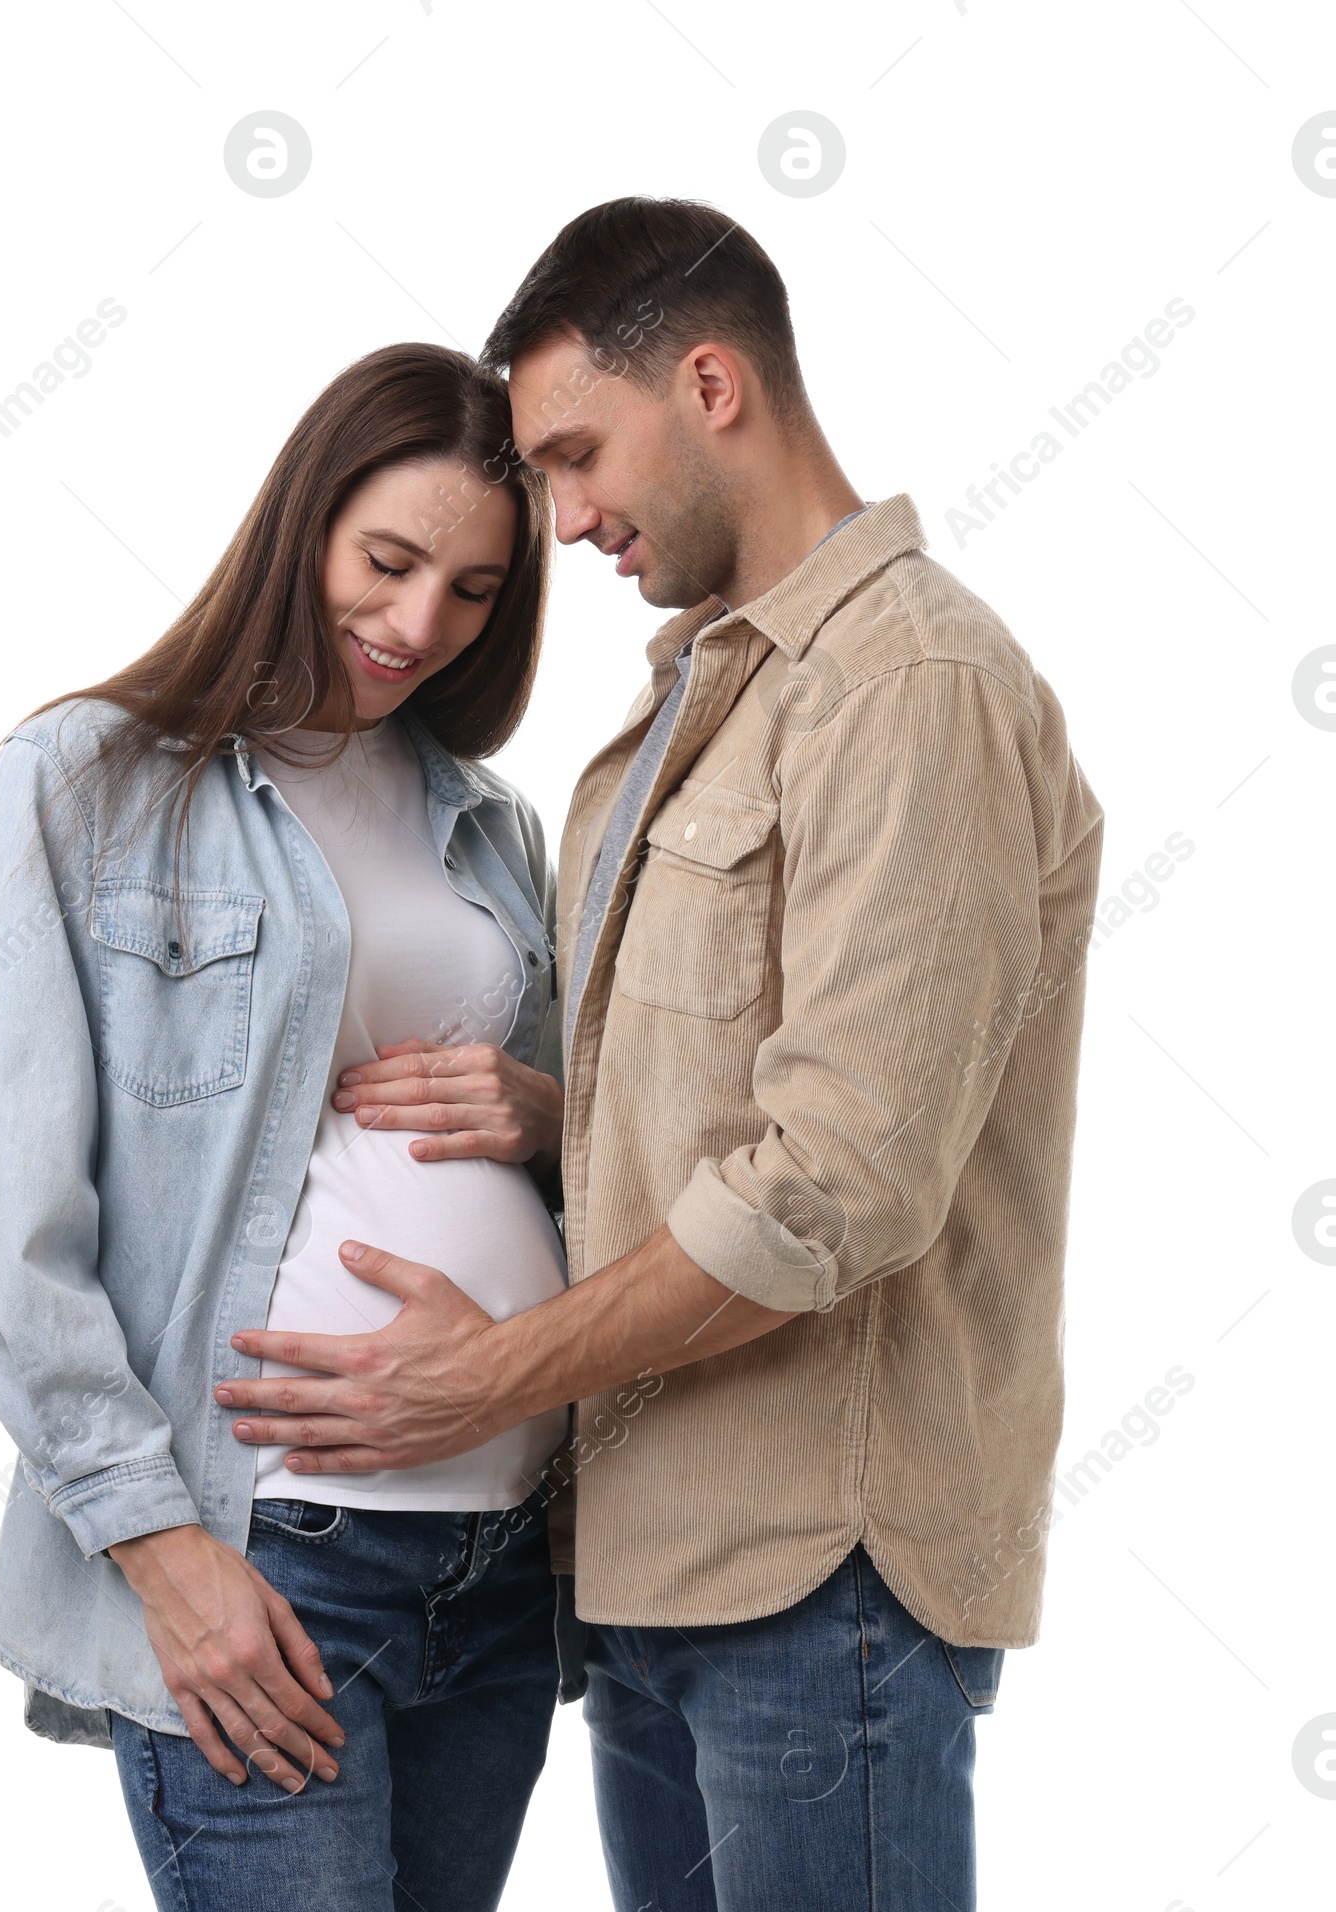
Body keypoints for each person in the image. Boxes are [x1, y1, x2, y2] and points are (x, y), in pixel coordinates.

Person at [219, 200, 1106, 1912]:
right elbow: (754, 1087)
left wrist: (485, 1376)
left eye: (573, 455)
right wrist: (569, 1122)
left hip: (816, 1577)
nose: (564, 518)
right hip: (654, 1567)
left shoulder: (909, 683)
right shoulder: (697, 704)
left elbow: (834, 1187)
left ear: (711, 384)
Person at [0, 342, 571, 1912]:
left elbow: (587, 1162)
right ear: (306, 522)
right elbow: (3, 1234)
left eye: (477, 591)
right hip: (272, 1562)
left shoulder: (492, 823)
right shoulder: (87, 784)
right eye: (393, 560)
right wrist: (163, 1554)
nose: (420, 626)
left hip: (503, 1571)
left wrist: (554, 1112)